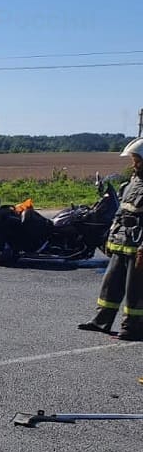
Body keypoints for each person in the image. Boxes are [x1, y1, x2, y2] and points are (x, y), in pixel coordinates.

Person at [78, 138, 143, 341]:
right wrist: (111, 236)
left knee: (135, 290)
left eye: (137, 159)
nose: (133, 163)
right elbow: (120, 211)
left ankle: (131, 328)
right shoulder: (132, 182)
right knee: (110, 284)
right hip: (122, 241)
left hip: (138, 245)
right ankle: (101, 321)